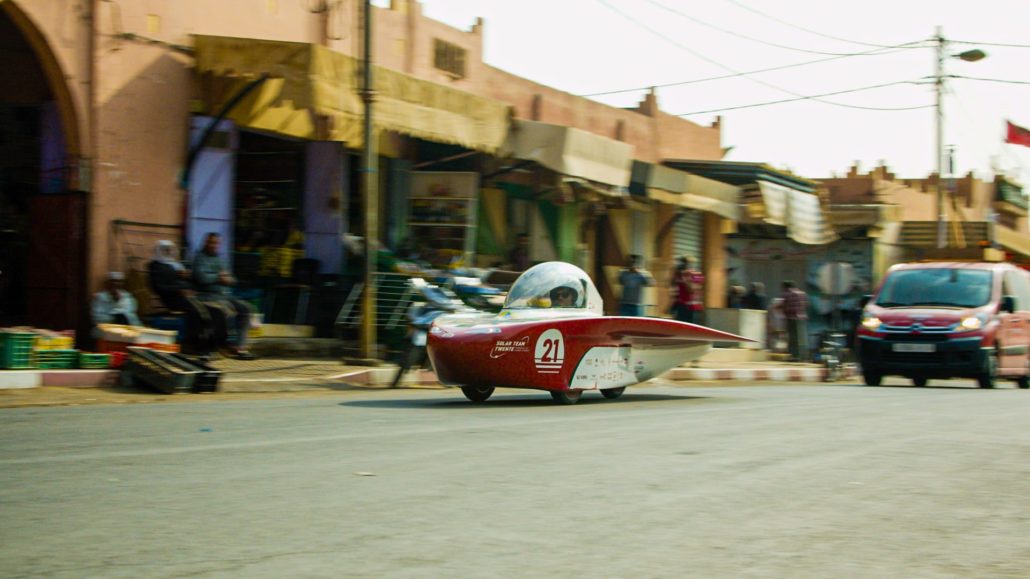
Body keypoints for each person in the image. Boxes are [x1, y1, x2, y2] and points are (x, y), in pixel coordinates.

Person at [192, 232, 256, 360]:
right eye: (212, 242)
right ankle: (216, 346)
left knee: (247, 309)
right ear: (206, 243)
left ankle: (239, 347)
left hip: (224, 296)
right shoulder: (199, 258)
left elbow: (232, 279)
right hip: (208, 296)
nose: (214, 245)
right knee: (225, 311)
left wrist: (228, 280)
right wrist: (218, 277)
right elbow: (202, 278)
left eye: (217, 243)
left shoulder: (220, 260)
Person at [148, 240, 216, 356]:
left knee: (211, 310)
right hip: (171, 298)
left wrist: (187, 284)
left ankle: (207, 343)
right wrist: (179, 290)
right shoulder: (155, 266)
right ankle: (192, 344)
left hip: (183, 294)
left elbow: (180, 281)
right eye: (165, 250)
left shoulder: (173, 264)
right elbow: (159, 287)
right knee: (195, 312)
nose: (167, 252)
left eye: (169, 250)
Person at [781, 280, 810, 362]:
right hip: (802, 318)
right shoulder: (802, 294)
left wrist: (785, 314)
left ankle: (794, 356)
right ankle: (804, 356)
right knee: (802, 338)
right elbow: (807, 305)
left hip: (791, 318)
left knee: (793, 338)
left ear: (785, 287)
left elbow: (785, 307)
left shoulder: (786, 294)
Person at [671, 256, 704, 323]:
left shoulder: (697, 275)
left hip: (693, 308)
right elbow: (675, 289)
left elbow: (692, 290)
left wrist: (685, 279)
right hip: (682, 306)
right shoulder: (679, 275)